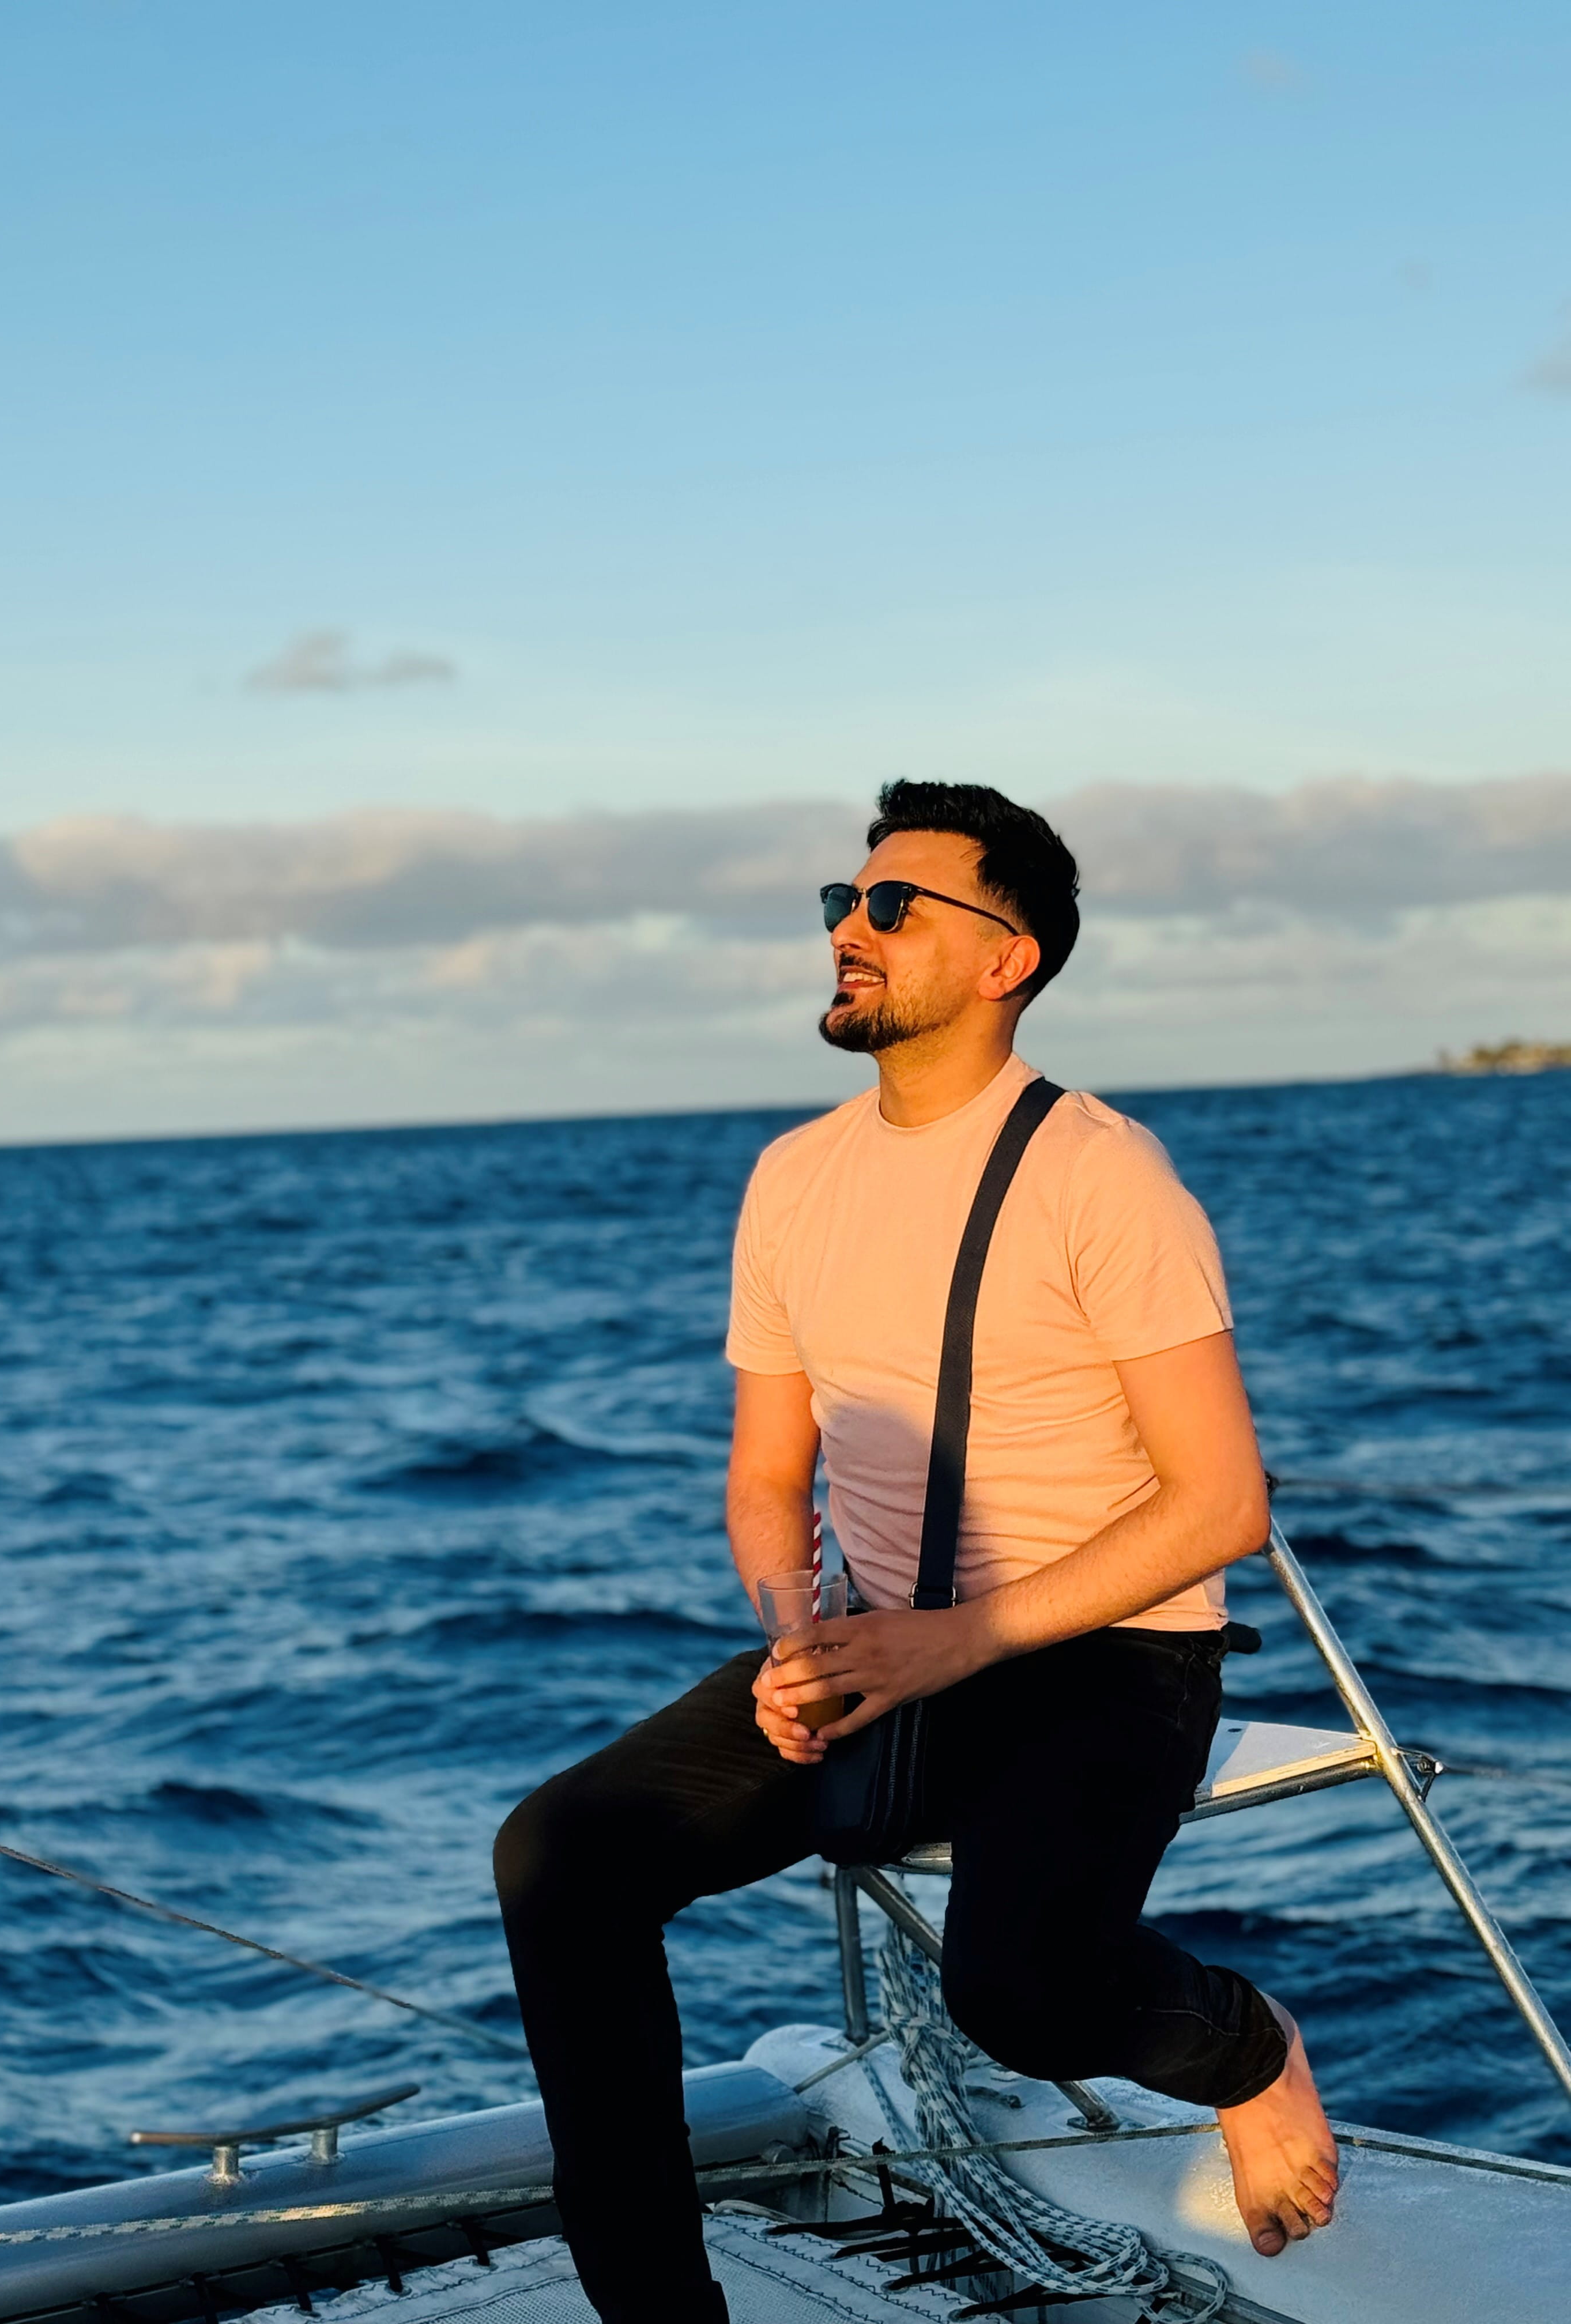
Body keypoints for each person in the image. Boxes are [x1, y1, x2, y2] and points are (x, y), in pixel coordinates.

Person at [495, 779, 1340, 2324]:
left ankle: (1243, 2045)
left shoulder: (1102, 1174)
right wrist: (794, 1632)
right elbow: (767, 1475)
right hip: (882, 1644)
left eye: (895, 906)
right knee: (561, 1859)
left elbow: (1223, 1503)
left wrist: (947, 1644)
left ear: (1006, 958)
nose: (850, 931)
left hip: (1107, 1657)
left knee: (1015, 1990)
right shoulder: (793, 1179)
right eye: (844, 902)